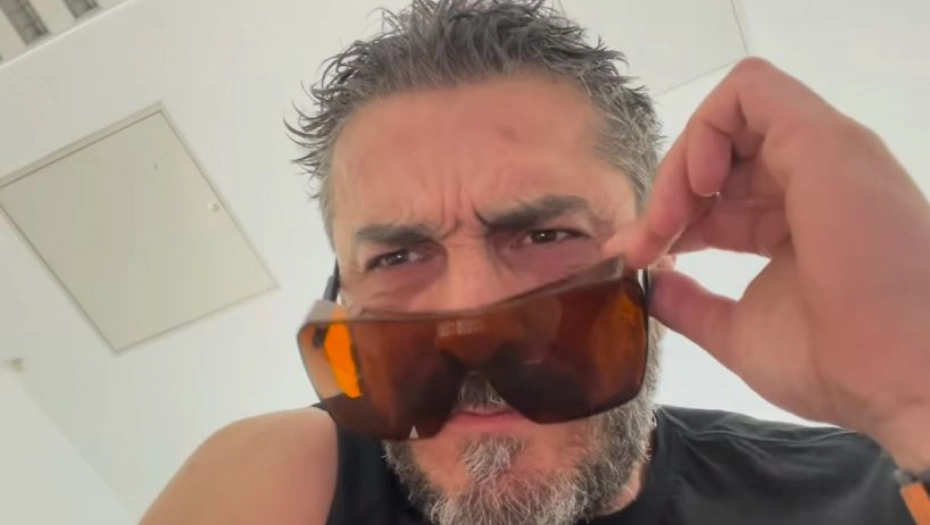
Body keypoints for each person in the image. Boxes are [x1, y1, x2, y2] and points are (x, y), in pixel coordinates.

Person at [139, 1, 930, 524]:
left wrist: (913, 394)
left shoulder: (864, 489)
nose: (472, 320)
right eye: (399, 254)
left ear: (659, 251)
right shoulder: (286, 486)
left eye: (546, 235)